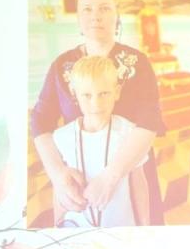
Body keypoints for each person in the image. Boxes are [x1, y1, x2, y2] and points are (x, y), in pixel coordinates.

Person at [32, 0, 166, 225]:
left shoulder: (138, 62)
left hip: (131, 175)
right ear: (78, 18)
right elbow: (40, 120)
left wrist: (112, 176)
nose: (96, 16)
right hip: (80, 180)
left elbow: (150, 120)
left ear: (117, 15)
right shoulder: (61, 65)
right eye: (87, 9)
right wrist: (58, 175)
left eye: (105, 8)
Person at [51, 55, 147, 227]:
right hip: (78, 228)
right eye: (87, 95)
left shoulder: (130, 133)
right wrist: (56, 223)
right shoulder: (61, 137)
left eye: (104, 93)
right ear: (74, 94)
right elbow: (59, 187)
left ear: (117, 92)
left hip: (121, 226)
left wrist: (145, 226)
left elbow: (138, 183)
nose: (96, 103)